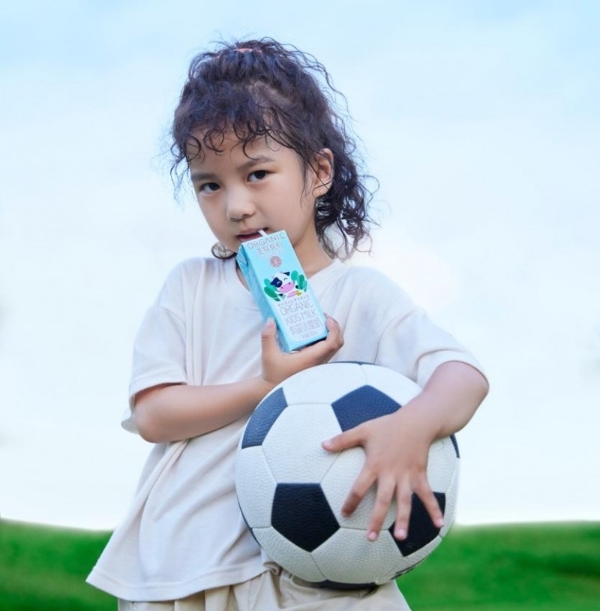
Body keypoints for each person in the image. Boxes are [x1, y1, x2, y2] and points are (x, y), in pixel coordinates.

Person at [87, 38, 489, 610]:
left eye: (257, 174)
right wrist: (266, 386)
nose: (236, 206)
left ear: (318, 171)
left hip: (319, 574)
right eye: (210, 184)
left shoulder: (358, 294)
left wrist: (413, 427)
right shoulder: (192, 285)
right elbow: (154, 413)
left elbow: (463, 376)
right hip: (185, 566)